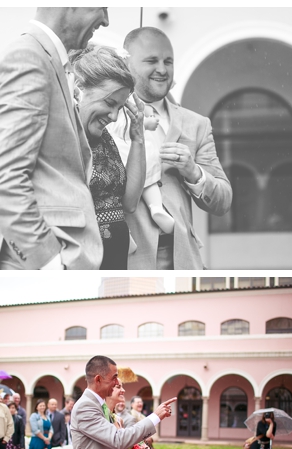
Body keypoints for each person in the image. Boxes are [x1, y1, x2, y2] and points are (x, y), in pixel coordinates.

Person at [0, 8, 108, 270]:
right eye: (102, 6)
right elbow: (3, 180)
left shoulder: (47, 60)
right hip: (40, 266)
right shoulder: (28, 57)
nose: (107, 20)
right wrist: (49, 262)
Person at [113, 27, 232, 270]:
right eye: (151, 61)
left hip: (183, 259)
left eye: (168, 61)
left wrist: (194, 172)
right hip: (127, 257)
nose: (162, 69)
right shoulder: (110, 115)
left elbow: (223, 201)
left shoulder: (197, 124)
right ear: (127, 64)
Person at [71, 45, 147, 270]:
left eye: (121, 107)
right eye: (110, 103)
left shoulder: (104, 139)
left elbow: (130, 203)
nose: (114, 117)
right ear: (80, 88)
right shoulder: (64, 137)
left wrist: (138, 138)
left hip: (115, 260)